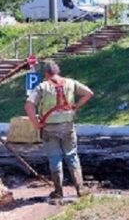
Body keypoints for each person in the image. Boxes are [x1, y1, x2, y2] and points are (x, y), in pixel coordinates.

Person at [24, 59, 94, 200]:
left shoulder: (42, 87)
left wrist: (36, 123)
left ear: (46, 73)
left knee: (55, 158)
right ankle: (80, 189)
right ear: (57, 71)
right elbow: (89, 93)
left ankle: (58, 192)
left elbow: (29, 106)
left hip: (50, 128)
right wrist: (75, 107)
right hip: (68, 126)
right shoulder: (71, 83)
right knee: (72, 155)